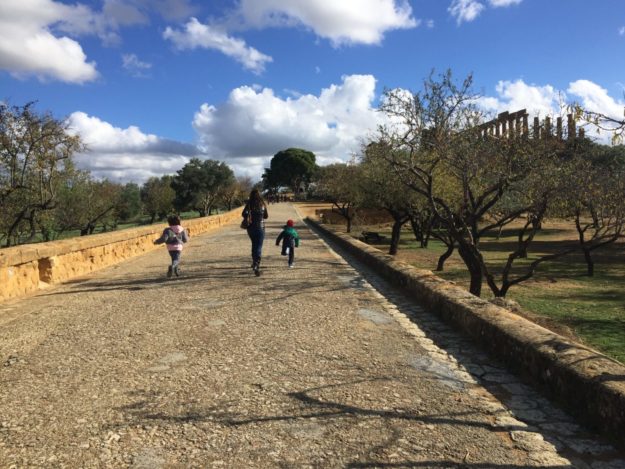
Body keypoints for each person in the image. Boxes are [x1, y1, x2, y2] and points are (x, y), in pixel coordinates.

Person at [242, 189, 268, 276]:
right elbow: (266, 216)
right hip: (261, 228)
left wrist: (250, 214)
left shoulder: (249, 204)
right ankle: (256, 265)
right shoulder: (262, 204)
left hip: (251, 228)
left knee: (254, 245)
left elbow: (243, 214)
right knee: (258, 246)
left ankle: (254, 263)